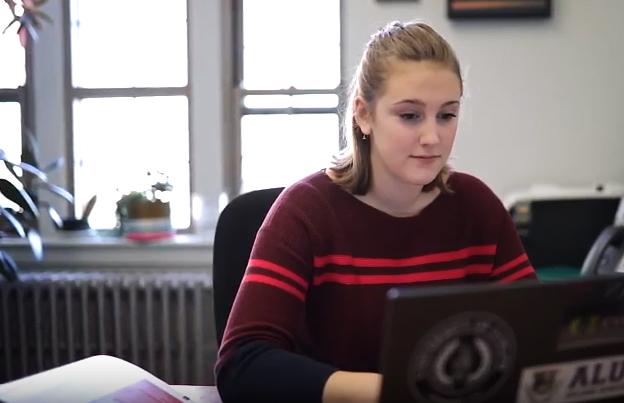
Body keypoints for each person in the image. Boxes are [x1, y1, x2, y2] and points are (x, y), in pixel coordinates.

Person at [215, 21, 537, 403]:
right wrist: (397, 391)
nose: (433, 137)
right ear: (364, 115)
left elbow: (536, 337)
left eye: (447, 115)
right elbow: (242, 364)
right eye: (410, 116)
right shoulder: (305, 212)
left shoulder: (477, 206)